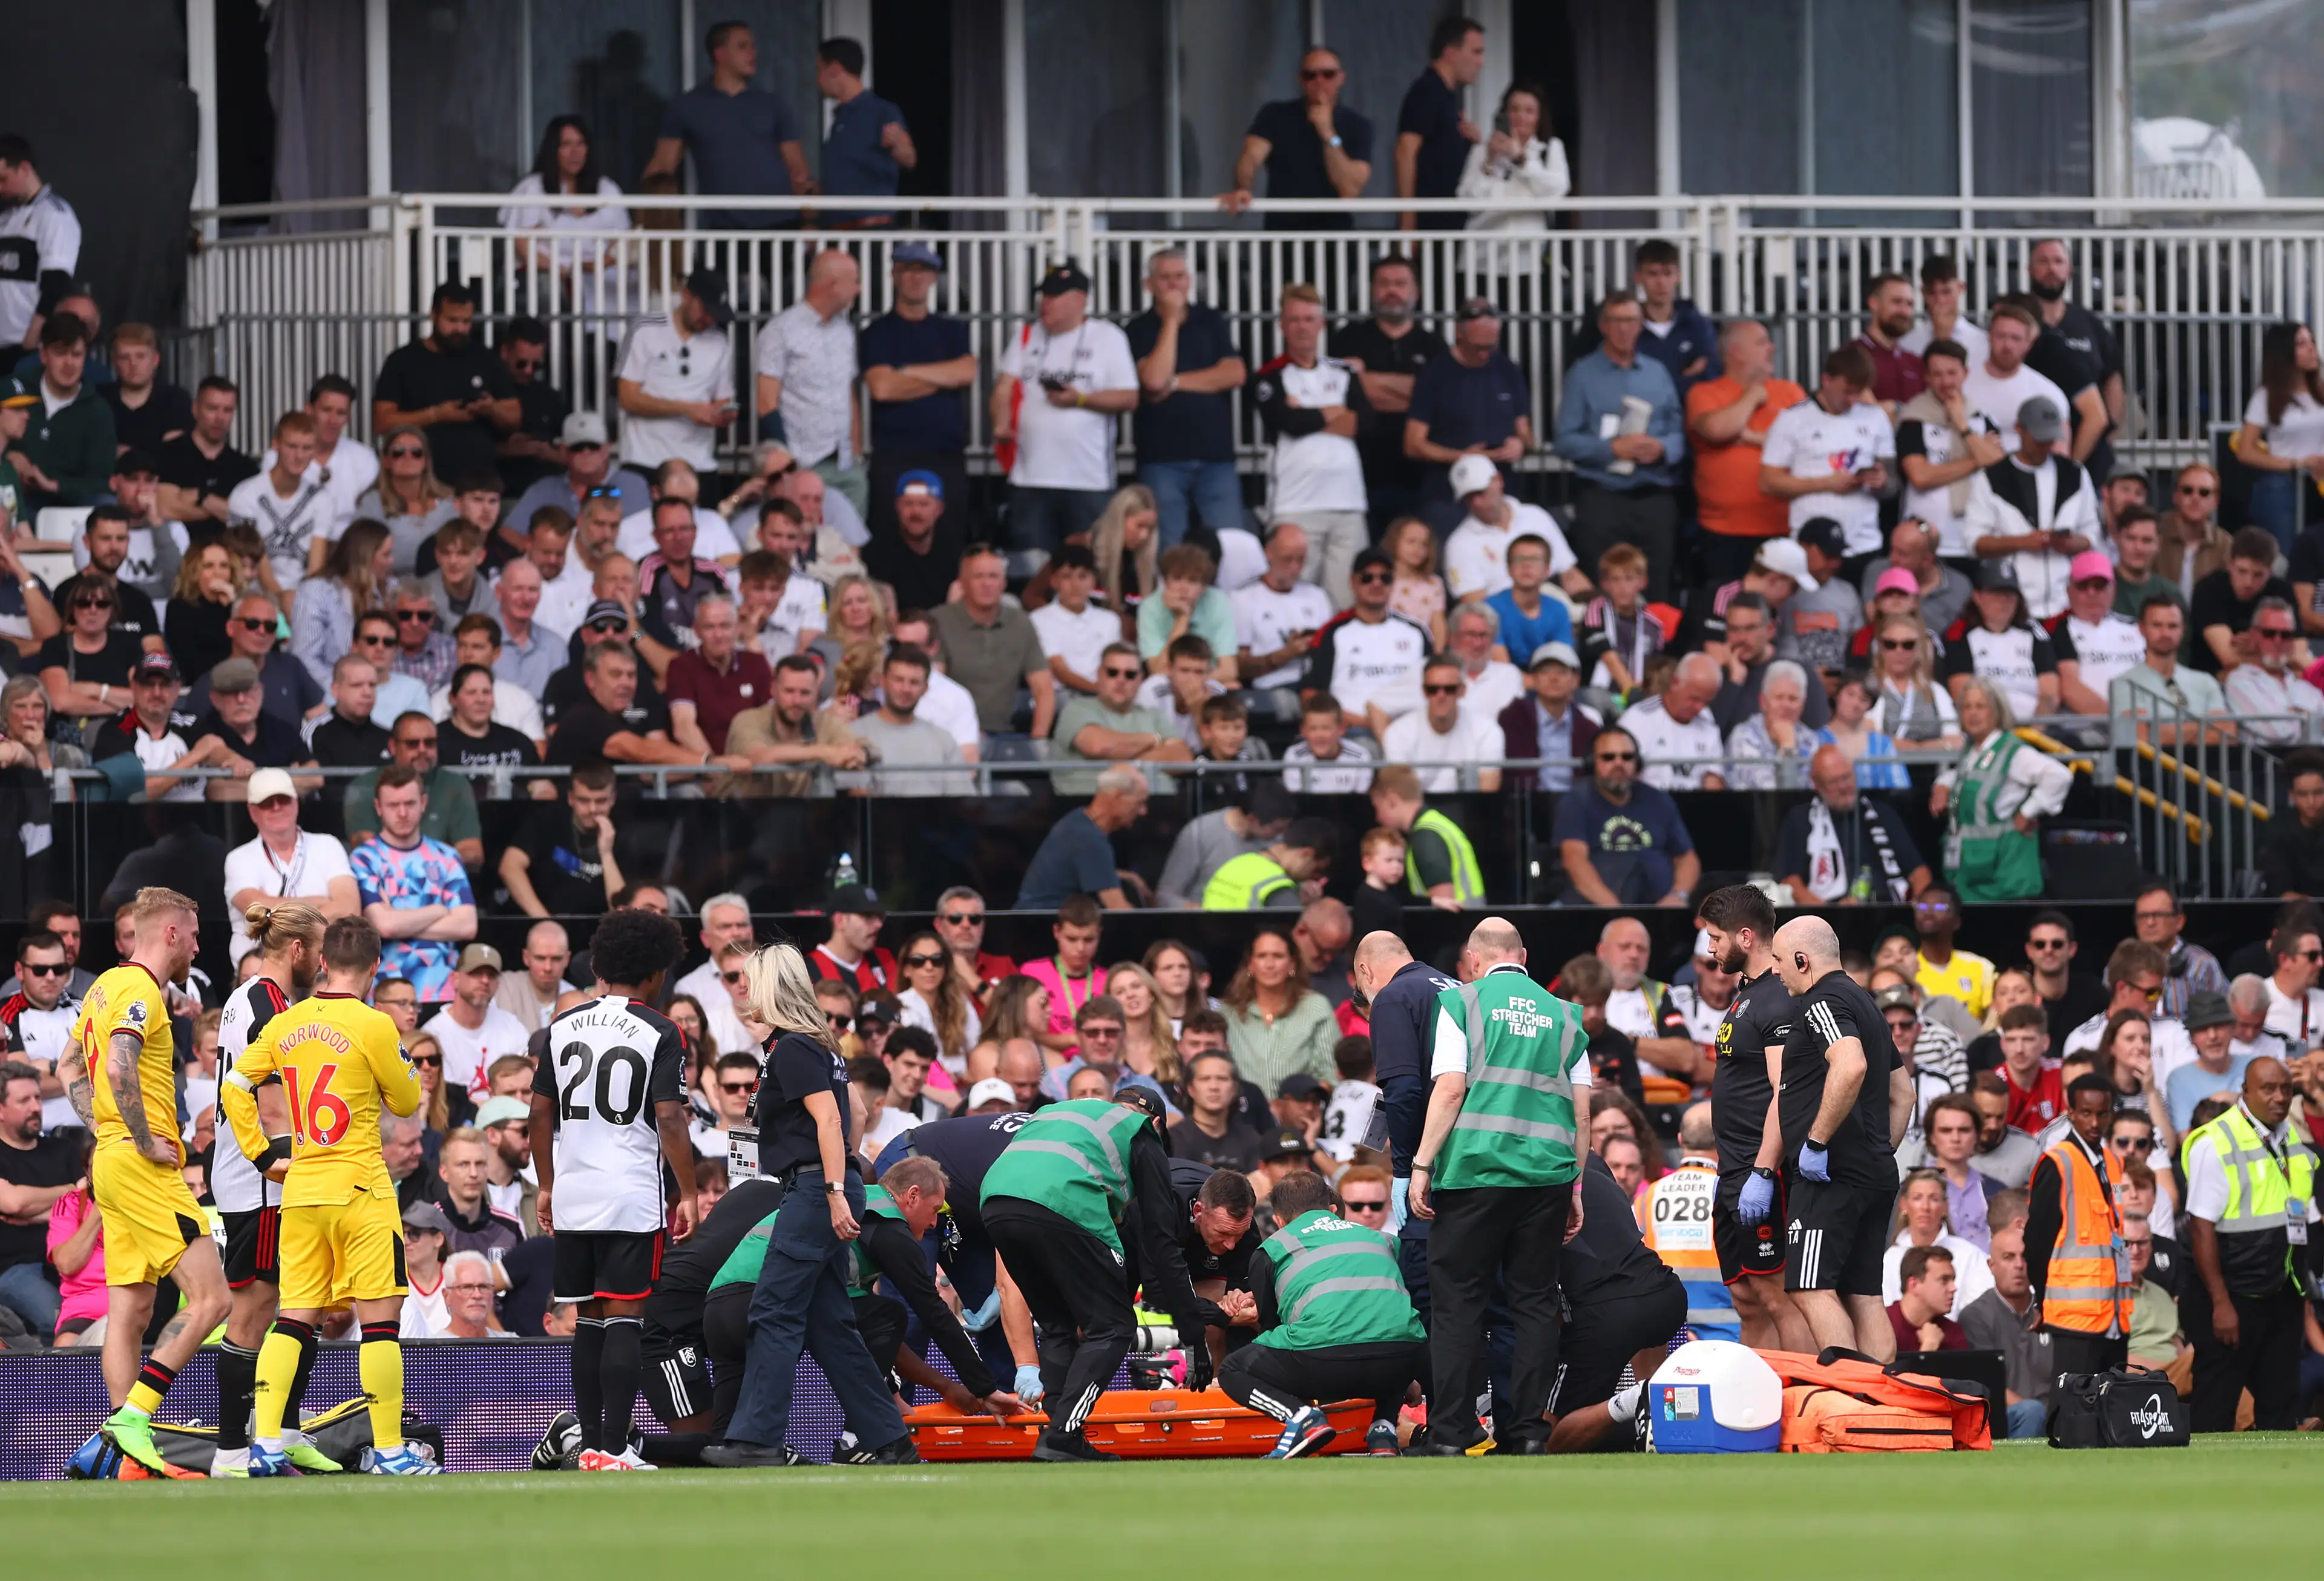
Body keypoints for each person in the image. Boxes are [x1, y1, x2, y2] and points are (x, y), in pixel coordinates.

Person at [219, 913, 434, 1475]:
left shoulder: (287, 1022)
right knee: (381, 1322)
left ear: (321, 962)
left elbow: (235, 1085)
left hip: (303, 1188)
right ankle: (389, 1450)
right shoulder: (375, 1025)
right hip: (360, 1188)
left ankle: (263, 1443)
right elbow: (408, 1104)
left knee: (292, 1319)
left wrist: (263, 1155)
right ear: (376, 967)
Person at [523, 907, 695, 1472]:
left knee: (590, 1318)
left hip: (573, 1192)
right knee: (624, 1318)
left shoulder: (563, 1024)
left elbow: (539, 1114)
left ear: (601, 966)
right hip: (629, 1193)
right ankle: (616, 1447)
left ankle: (593, 1443)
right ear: (656, 974)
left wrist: (546, 1185)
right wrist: (687, 1192)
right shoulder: (661, 1030)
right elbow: (670, 1119)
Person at [1407, 917, 1587, 1455]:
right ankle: (1529, 1433)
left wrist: (1421, 1164)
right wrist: (1575, 1187)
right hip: (1547, 1178)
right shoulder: (1565, 1015)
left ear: (1473, 960)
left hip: (1475, 1175)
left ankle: (1451, 1435)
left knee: (1459, 1304)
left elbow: (1450, 1091)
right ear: (1524, 957)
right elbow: (1583, 1113)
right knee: (1534, 1304)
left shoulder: (1463, 1002)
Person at [980, 1083, 1224, 1461]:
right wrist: (1193, 1334)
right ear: (1158, 1124)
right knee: (1114, 1327)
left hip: (995, 1203)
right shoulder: (1141, 1132)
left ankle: (1061, 1439)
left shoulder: (1061, 1113)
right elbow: (1162, 1245)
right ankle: (1063, 1434)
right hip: (1061, 1203)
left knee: (1060, 1326)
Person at [1215, 1166, 1427, 1459]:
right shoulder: (1383, 1239)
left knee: (1232, 1370)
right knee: (1388, 1331)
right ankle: (1384, 1431)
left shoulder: (1274, 1247)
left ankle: (1300, 1418)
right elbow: (1393, 1308)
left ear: (1278, 1220)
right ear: (1331, 1209)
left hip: (1323, 1361)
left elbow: (1272, 1329)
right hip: (1403, 1360)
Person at [1770, 916, 1908, 1360]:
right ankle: (1883, 1407)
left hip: (1831, 1175)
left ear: (1801, 960)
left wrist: (1816, 1142)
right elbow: (1904, 1093)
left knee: (1810, 1288)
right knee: (1863, 1294)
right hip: (1874, 1172)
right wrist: (1879, 1151)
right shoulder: (1866, 1004)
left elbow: (1850, 1065)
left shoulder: (1821, 1002)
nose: (1774, 970)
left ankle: (1851, 1405)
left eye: (1778, 960)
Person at [2181, 1058, 2317, 1431]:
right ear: (2245, 1091)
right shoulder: (2217, 1141)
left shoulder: (2291, 1139)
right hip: (2231, 1294)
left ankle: (2277, 1486)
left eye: (2286, 1090)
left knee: (2281, 1406)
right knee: (2216, 1406)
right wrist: (2221, 1303)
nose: (2278, 1098)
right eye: (2268, 1089)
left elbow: (2305, 1217)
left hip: (2282, 1291)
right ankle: (2204, 1487)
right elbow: (2200, 1228)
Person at [991, 261, 1138, 556]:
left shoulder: (1108, 337)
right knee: (1032, 562)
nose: (1045, 304)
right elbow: (1004, 387)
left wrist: (1080, 400)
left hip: (1087, 481)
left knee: (1088, 563)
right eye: (1043, 295)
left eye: (1054, 296)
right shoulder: (1027, 335)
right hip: (1030, 478)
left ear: (1080, 300)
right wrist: (1000, 422)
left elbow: (1129, 397)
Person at [2017, 1071, 2138, 1381]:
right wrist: (2045, 1300)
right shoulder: (2057, 1163)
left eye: (2102, 1114)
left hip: (2112, 1312)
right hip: (2074, 1314)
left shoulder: (2112, 1163)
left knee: (2110, 1405)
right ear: (2070, 1113)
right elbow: (2037, 1242)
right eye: (2086, 1113)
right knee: (2074, 1404)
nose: (2095, 1123)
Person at [1124, 248, 1247, 549]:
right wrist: (1170, 322)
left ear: (1189, 281)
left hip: (1216, 458)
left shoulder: (1211, 319)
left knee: (1230, 547)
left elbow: (1235, 373)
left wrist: (1177, 382)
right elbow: (1153, 380)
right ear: (1149, 285)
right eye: (1165, 278)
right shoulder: (1137, 329)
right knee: (1169, 550)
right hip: (1162, 460)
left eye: (1179, 276)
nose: (1174, 285)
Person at [857, 244, 973, 527]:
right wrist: (942, 380)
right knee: (890, 542)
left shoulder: (952, 331)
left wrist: (908, 371)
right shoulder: (877, 333)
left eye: (923, 271)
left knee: (949, 539)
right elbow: (882, 389)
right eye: (907, 270)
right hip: (893, 455)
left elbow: (966, 373)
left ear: (934, 279)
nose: (915, 278)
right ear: (894, 276)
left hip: (947, 455)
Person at [1687, 319, 1809, 585]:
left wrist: (1749, 437)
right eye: (1762, 342)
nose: (1772, 347)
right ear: (1737, 352)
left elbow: (1808, 445)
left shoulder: (1790, 392)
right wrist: (1753, 396)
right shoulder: (1705, 393)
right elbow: (1718, 430)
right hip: (1724, 533)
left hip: (1784, 528)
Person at [1331, 255, 1443, 537]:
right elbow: (1342, 394)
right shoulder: (1348, 338)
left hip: (1419, 477)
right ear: (1372, 290)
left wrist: (1369, 381)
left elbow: (1438, 401)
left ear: (1415, 292)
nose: (1391, 291)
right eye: (1384, 284)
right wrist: (1414, 389)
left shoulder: (1433, 345)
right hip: (1359, 473)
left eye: (1400, 284)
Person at [1932, 676, 2072, 902]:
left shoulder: (2012, 751)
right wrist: (1942, 785)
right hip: (1971, 874)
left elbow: (2059, 776)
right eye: (1967, 707)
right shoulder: (1971, 751)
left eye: (1981, 706)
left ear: (1996, 711)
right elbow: (1962, 781)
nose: (1973, 713)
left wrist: (2028, 812)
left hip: (2006, 877)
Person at [1761, 344, 1897, 569]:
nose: (1853, 400)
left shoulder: (1875, 418)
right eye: (1847, 391)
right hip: (1812, 549)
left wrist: (1881, 482)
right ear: (1826, 380)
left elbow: (1892, 483)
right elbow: (1768, 483)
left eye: (1859, 392)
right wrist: (1825, 484)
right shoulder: (1793, 419)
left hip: (1865, 544)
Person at [1403, 297, 1531, 527]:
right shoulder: (1435, 374)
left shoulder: (1507, 369)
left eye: (1491, 347)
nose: (1484, 354)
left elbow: (1526, 433)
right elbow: (1413, 444)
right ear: (1459, 335)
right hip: (1448, 495)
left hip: (1501, 492)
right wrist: (1464, 456)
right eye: (1478, 347)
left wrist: (1519, 444)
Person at [1221, 48, 1374, 228]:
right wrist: (1243, 188)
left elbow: (1349, 189)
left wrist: (1328, 133)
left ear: (1341, 78)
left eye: (1328, 74)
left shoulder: (1357, 125)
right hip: (1283, 237)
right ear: (1300, 80)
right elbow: (1251, 157)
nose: (1319, 81)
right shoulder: (1276, 115)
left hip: (1335, 240)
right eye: (1311, 75)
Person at [1549, 726, 1698, 908]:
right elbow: (1574, 860)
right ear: (1592, 763)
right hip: (1598, 910)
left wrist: (1678, 895)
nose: (1619, 763)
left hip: (1660, 912)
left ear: (1638, 763)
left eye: (1627, 757)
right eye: (1608, 757)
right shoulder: (1576, 802)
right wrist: (1616, 911)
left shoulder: (1658, 800)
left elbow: (1687, 858)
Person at [1632, 1101, 1740, 1342]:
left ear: (1681, 1140)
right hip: (1729, 1332)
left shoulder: (1647, 1197)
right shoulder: (1731, 1192)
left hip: (1670, 1332)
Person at [614, 269, 735, 477]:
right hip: (645, 459)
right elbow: (627, 398)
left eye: (715, 315)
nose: (709, 319)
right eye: (705, 310)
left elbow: (723, 400)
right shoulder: (643, 329)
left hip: (699, 463)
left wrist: (723, 415)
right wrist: (687, 410)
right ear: (686, 295)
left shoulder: (720, 342)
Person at [1775, 744, 1929, 907]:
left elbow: (1919, 872)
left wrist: (1915, 908)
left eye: (1846, 777)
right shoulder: (1800, 819)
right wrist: (1830, 913)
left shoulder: (1882, 813)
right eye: (1833, 782)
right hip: (1828, 914)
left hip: (1888, 908)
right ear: (1816, 784)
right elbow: (1790, 882)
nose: (1843, 787)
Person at [930, 544, 1054, 739]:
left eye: (993, 577)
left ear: (1004, 583)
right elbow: (933, 688)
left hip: (1007, 734)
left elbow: (1044, 687)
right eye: (978, 577)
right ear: (962, 582)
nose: (986, 584)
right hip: (951, 735)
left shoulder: (1021, 623)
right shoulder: (938, 621)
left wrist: (1038, 741)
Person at [2234, 321, 2324, 554]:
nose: (2312, 348)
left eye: (2312, 341)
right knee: (2284, 554)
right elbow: (2246, 450)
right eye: (2302, 344)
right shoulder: (2266, 396)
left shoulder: (2321, 391)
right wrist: (2295, 463)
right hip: (2283, 483)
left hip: (2319, 481)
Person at [1017, 765, 1152, 912]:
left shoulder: (1078, 819)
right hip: (1042, 924)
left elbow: (1083, 870)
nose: (1143, 811)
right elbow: (1119, 910)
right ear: (1117, 797)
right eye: (1139, 802)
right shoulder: (1089, 839)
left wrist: (1126, 876)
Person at [1394, 16, 1485, 232]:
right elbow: (1405, 153)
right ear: (1451, 52)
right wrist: (1408, 225)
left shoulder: (1446, 96)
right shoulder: (1427, 91)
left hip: (1448, 224)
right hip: (1430, 226)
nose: (1481, 62)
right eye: (1476, 52)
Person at [1221, 928, 1339, 1094]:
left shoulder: (1316, 1007)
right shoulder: (1228, 1012)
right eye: (1262, 956)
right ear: (1251, 965)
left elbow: (1332, 1075)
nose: (1270, 965)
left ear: (1292, 964)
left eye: (1278, 956)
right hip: (1243, 1112)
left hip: (1301, 1111)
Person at [1368, 763, 1486, 910]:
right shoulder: (1438, 824)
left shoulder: (1426, 839)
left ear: (1392, 801)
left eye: (1377, 807)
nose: (1378, 817)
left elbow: (1445, 908)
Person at [1454, 81, 1568, 233]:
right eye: (1514, 109)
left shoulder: (1550, 148)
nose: (1521, 116)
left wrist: (1521, 160)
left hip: (1528, 250)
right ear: (1504, 113)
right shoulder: (1482, 150)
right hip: (1482, 249)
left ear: (1539, 118)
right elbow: (1466, 200)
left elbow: (1559, 189)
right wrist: (1489, 162)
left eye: (1529, 111)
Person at [1382, 654, 1505, 794]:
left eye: (1450, 689)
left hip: (1470, 810)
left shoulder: (1487, 731)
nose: (1441, 696)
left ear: (1462, 691)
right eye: (1433, 689)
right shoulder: (1398, 732)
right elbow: (1403, 795)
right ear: (1424, 691)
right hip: (1418, 812)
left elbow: (1487, 795)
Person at [2222, 597, 2320, 738]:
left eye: (2285, 635)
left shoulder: (2305, 687)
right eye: (2269, 634)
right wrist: (2307, 716)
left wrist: (2293, 714)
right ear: (2254, 635)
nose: (2278, 641)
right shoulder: (2240, 681)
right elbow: (2277, 732)